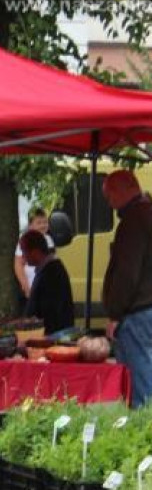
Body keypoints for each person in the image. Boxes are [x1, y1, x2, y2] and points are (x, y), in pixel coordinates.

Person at [102, 169, 152, 407]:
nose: (110, 204)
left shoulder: (133, 220)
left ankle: (144, 438)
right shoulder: (148, 212)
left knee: (141, 383)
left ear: (121, 191)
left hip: (138, 313)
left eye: (109, 196)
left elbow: (127, 274)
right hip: (146, 310)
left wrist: (115, 314)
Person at [20, 229, 74, 335]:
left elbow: (49, 312)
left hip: (53, 336)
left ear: (35, 252)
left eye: (24, 251)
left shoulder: (51, 272)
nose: (23, 257)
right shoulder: (49, 269)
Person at [14, 207, 55, 298]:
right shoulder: (26, 240)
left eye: (45, 222)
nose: (43, 225)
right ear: (30, 225)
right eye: (39, 223)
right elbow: (18, 265)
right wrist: (26, 287)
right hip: (33, 286)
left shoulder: (49, 239)